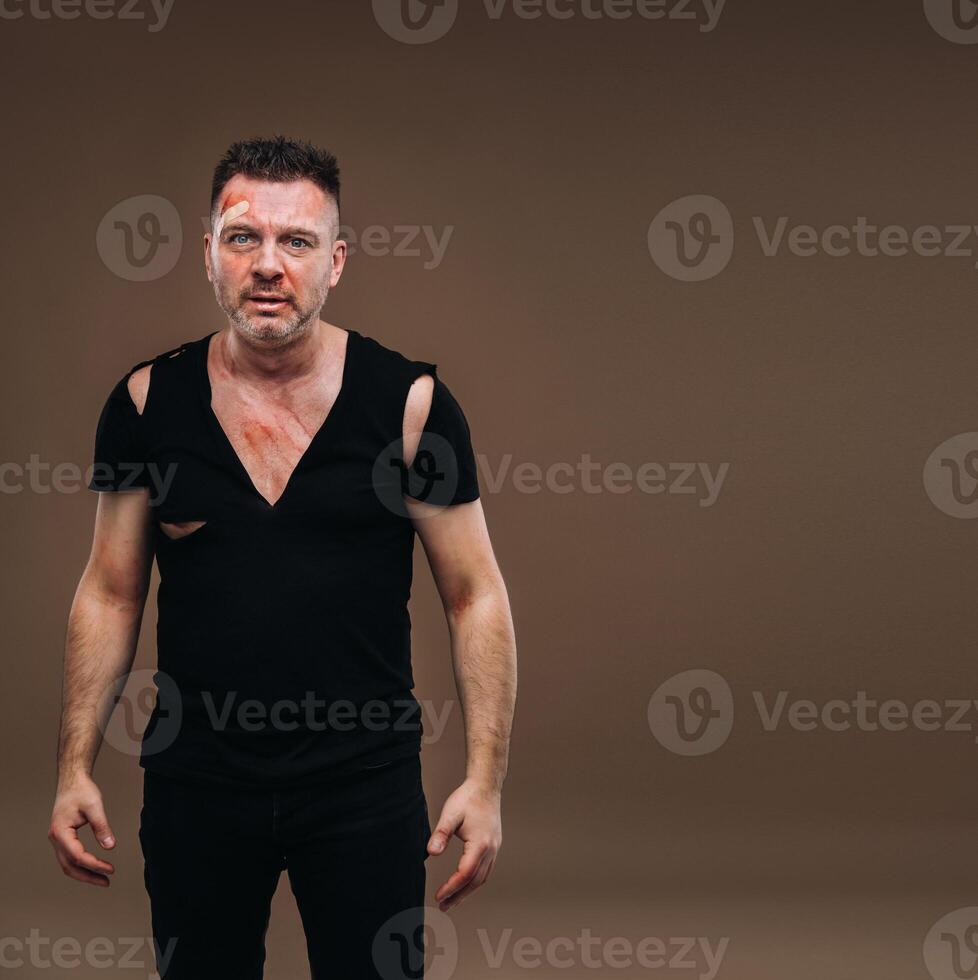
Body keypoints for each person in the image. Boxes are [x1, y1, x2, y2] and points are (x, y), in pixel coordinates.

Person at [48, 136, 518, 979]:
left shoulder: (410, 406)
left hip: (364, 786)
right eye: (243, 238)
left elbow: (475, 596)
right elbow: (112, 592)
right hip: (197, 784)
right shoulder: (147, 404)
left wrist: (484, 782)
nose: (269, 264)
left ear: (335, 262)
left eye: (296, 242)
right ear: (208, 256)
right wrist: (73, 766)